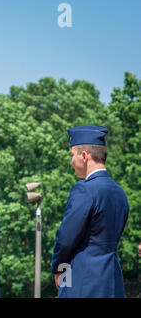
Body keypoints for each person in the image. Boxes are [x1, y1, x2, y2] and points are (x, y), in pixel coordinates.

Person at [51, 125, 129, 298]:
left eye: (72, 155)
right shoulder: (119, 193)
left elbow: (66, 238)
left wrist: (58, 268)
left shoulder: (84, 190)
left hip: (82, 279)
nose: (71, 161)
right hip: (112, 281)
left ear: (84, 156)